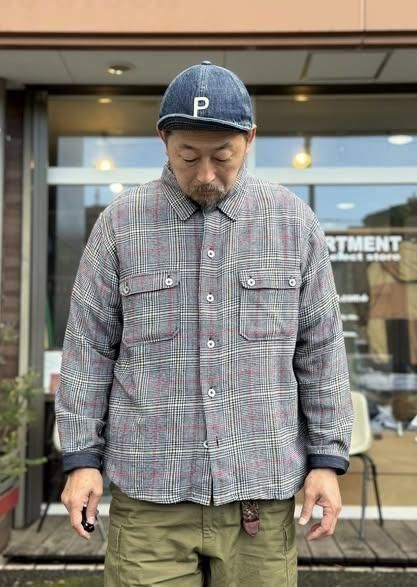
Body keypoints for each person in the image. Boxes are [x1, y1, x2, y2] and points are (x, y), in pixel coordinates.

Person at [55, 61, 353, 586]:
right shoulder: (120, 224)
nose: (206, 174)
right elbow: (88, 349)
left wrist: (327, 460)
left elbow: (321, 349)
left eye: (223, 156)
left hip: (260, 494)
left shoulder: (293, 223)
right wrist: (82, 459)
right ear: (163, 140)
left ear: (250, 139)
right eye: (189, 156)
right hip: (149, 496)